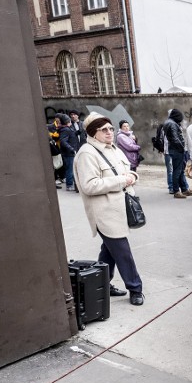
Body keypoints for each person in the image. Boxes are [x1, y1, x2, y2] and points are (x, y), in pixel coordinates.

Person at [73, 112, 144, 306]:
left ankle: (103, 283)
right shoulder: (87, 153)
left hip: (119, 208)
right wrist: (122, 180)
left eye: (111, 128)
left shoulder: (114, 149)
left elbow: (129, 171)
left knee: (109, 251)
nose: (109, 132)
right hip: (104, 212)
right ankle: (135, 288)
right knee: (122, 251)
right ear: (92, 132)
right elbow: (88, 185)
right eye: (103, 129)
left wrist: (132, 177)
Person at [162, 109, 192, 199]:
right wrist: (182, 148)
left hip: (173, 150)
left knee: (179, 170)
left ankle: (183, 189)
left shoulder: (169, 122)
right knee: (177, 171)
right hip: (177, 150)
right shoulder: (172, 124)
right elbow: (175, 139)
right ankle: (176, 191)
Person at [56, 113, 79, 192]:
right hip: (69, 153)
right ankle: (69, 185)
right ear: (67, 121)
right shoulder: (65, 129)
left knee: (70, 168)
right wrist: (71, 149)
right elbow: (63, 141)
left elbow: (70, 136)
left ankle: (71, 184)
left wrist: (77, 133)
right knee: (70, 169)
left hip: (69, 152)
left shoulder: (67, 128)